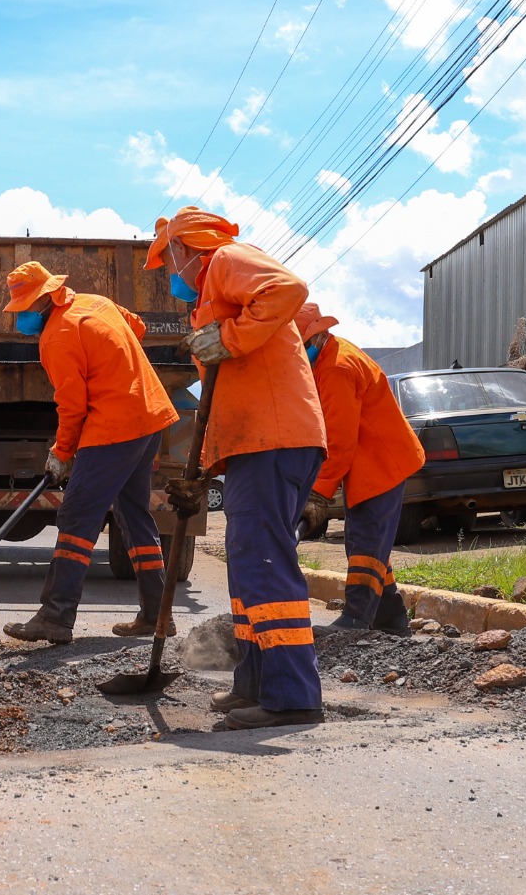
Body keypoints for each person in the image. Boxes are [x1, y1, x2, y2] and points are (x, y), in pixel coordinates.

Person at [151, 207, 327, 731]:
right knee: (249, 565)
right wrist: (203, 474)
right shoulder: (209, 299)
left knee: (264, 562)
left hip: (276, 440)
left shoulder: (227, 259)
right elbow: (225, 398)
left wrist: (229, 338)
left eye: (168, 260)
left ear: (185, 249)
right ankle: (253, 683)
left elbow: (289, 287)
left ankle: (291, 695)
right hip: (258, 443)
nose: (167, 275)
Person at [0, 261, 180, 645]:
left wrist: (62, 452)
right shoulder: (97, 303)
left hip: (114, 427)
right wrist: (114, 365)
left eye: (24, 308)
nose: (23, 317)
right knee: (134, 513)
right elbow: (138, 328)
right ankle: (157, 615)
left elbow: (72, 407)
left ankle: (55, 615)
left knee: (78, 514)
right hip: (149, 416)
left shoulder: (57, 338)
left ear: (43, 300)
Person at [294, 302, 425, 635]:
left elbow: (338, 443)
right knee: (369, 542)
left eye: (302, 343)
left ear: (319, 335)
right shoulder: (330, 356)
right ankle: (391, 619)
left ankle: (356, 618)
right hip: (375, 458)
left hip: (380, 461)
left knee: (366, 540)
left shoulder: (337, 366)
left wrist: (316, 496)